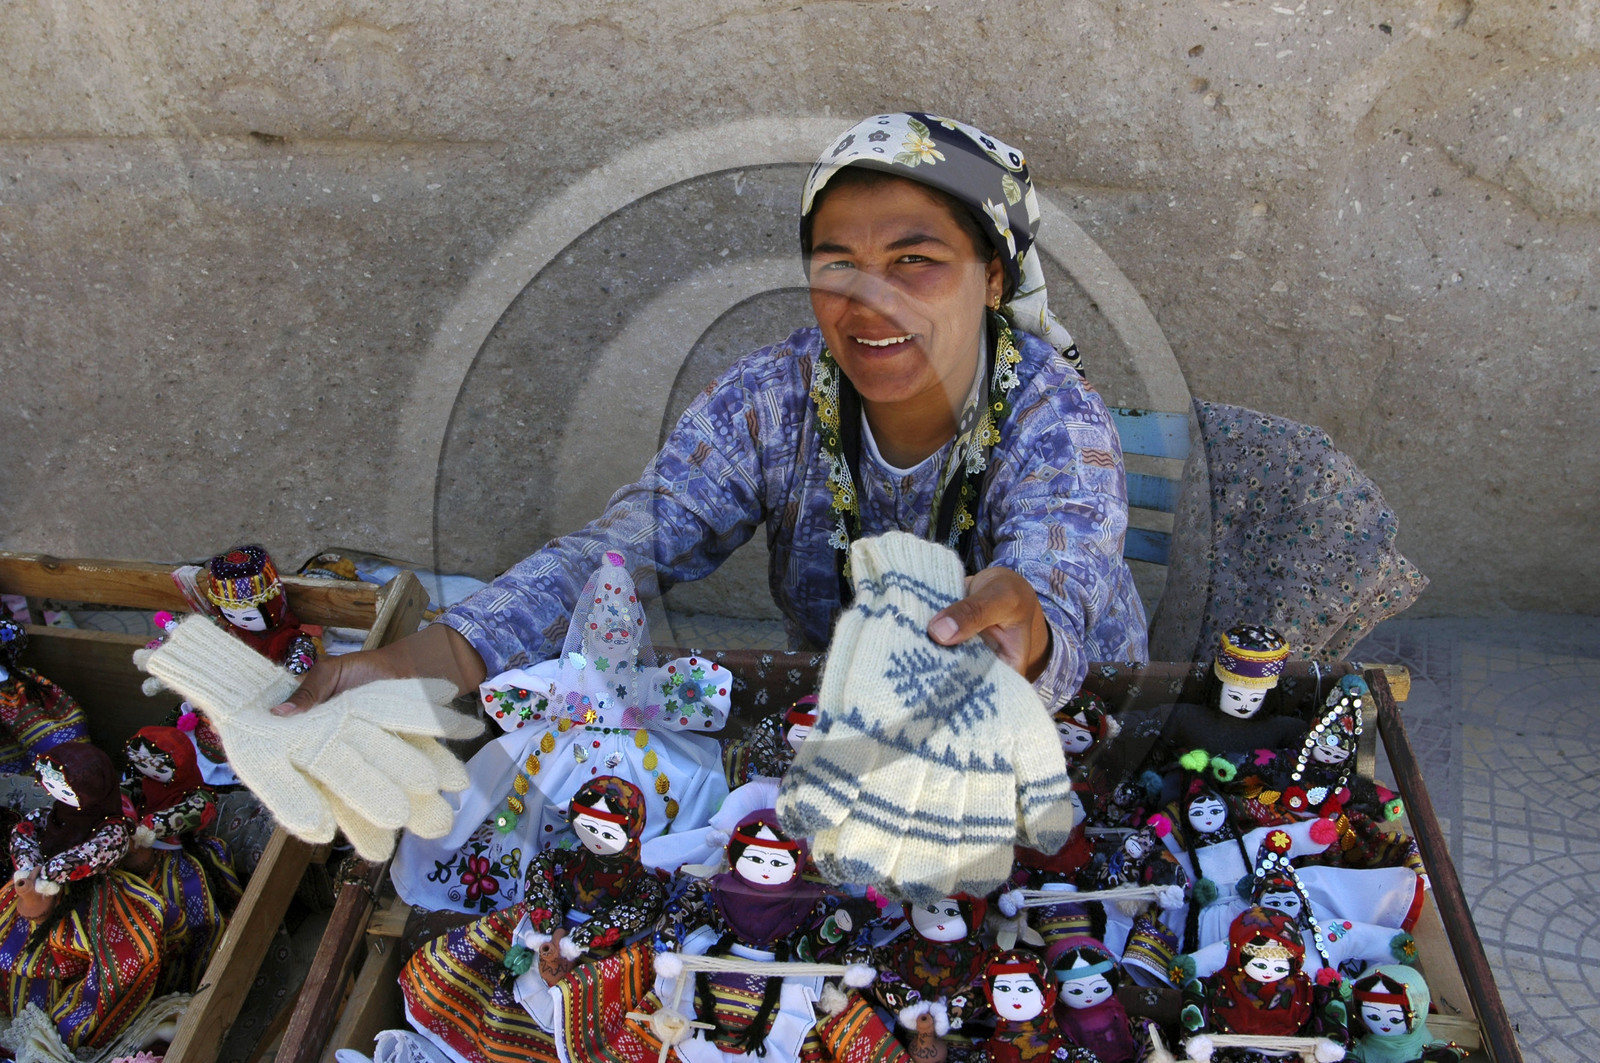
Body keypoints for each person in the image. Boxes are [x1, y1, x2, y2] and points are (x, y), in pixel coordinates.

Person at [275, 111, 1148, 718]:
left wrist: (1026, 624)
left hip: (1064, 735)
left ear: (993, 277)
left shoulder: (1053, 422)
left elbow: (1055, 587)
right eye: (836, 262)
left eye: (915, 259)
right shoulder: (770, 403)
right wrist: (430, 661)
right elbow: (622, 550)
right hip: (842, 723)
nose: (869, 302)